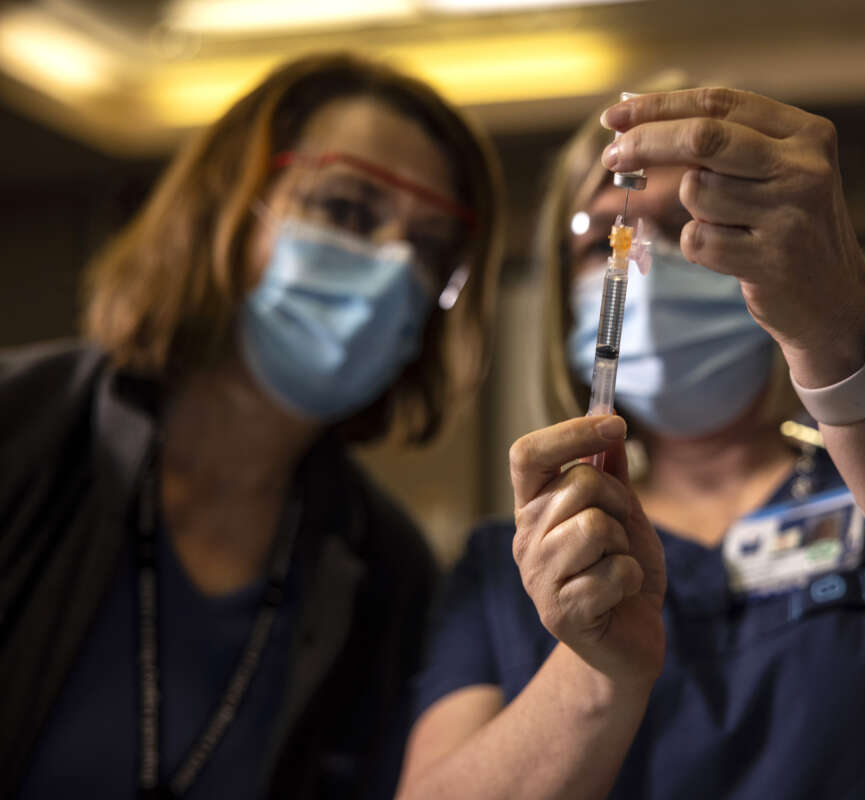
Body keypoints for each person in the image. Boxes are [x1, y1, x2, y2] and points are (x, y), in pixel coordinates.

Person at [397, 88, 865, 799]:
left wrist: (844, 323)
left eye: (700, 223)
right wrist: (596, 675)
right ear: (564, 293)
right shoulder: (511, 564)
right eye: (609, 241)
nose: (649, 264)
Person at [0, 53, 501, 799]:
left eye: (428, 246)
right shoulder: (20, 429)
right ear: (228, 205)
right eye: (348, 210)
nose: (392, 265)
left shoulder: (385, 572)